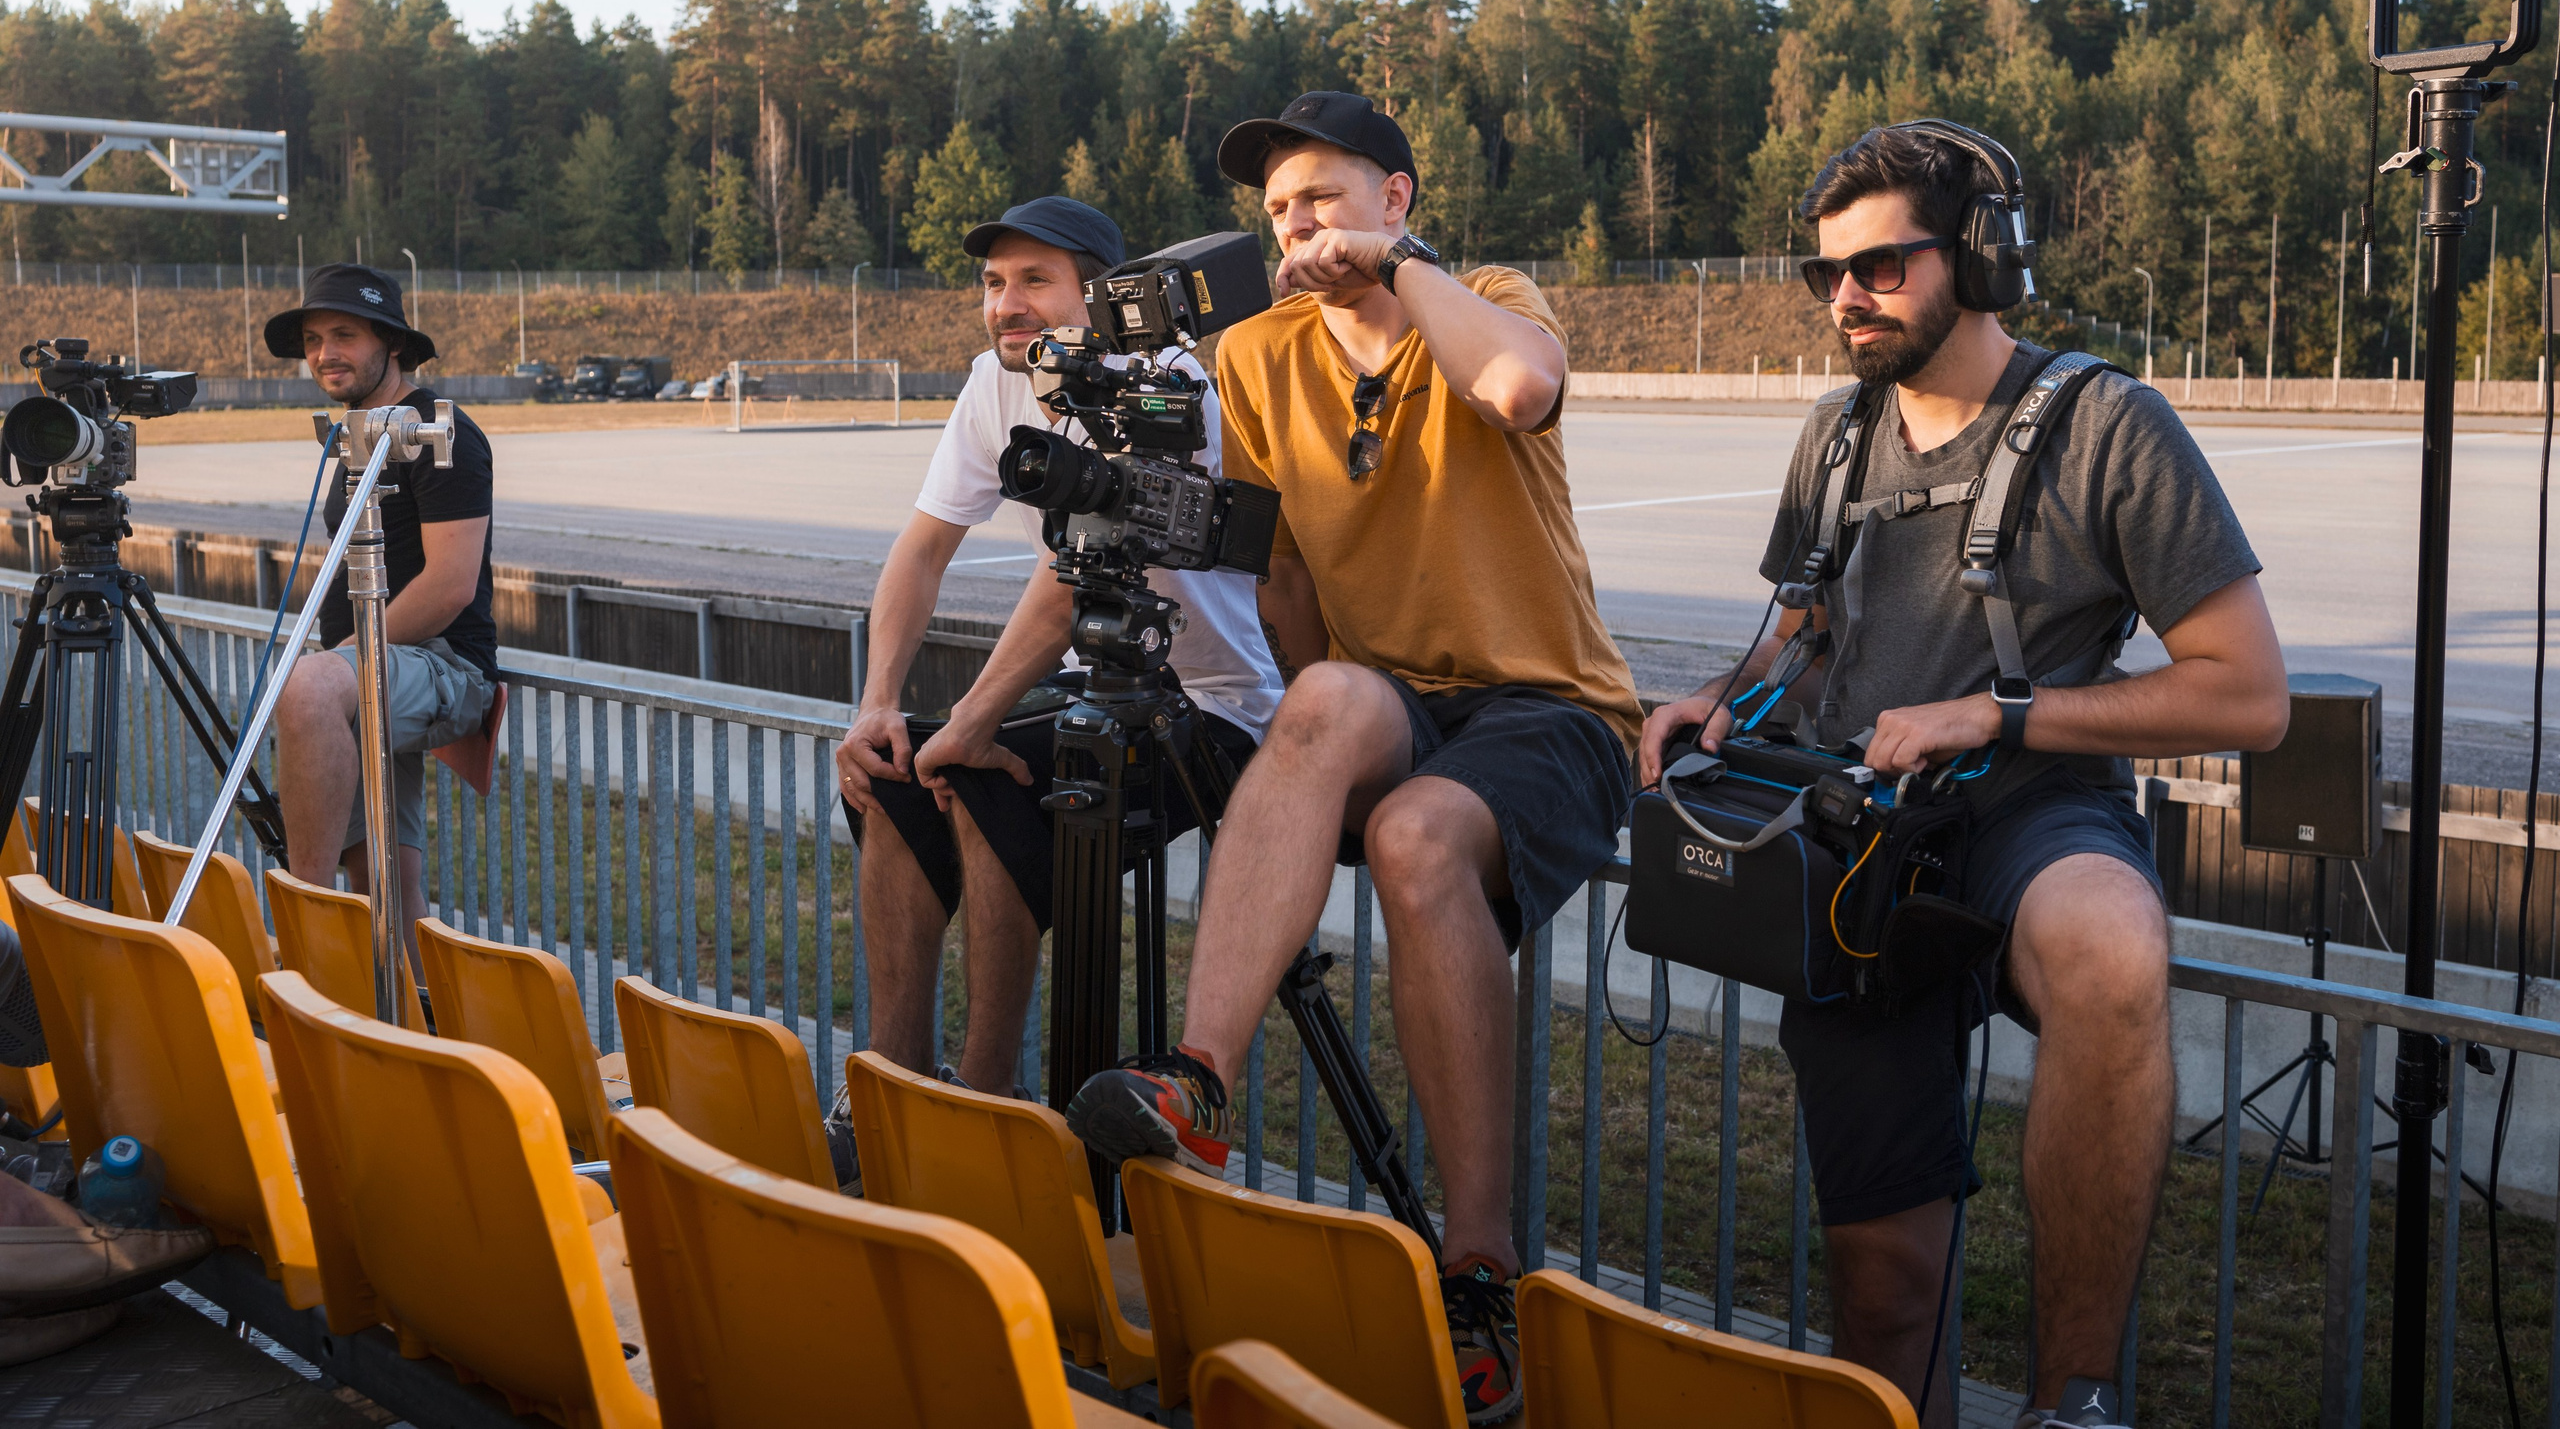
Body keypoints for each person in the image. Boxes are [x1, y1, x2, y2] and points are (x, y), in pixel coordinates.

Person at [1638, 123, 2289, 1429]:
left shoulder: (2110, 424)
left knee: (2108, 943)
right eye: (1827, 272)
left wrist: (1993, 713)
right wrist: (1722, 692)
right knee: (1882, 1284)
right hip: (1856, 832)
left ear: (1982, 257)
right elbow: (1804, 624)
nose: (1846, 296)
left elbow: (2247, 690)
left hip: (2028, 805)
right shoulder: (1832, 435)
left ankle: (2073, 1400)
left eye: (1881, 264)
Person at [1061, 93, 1641, 1426]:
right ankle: (1200, 1078)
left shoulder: (1484, 293)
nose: (1296, 223)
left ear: (1398, 194)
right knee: (1315, 695)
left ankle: (1479, 1263)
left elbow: (1518, 388)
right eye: (1277, 209)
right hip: (1396, 694)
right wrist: (1304, 752)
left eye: (1323, 196)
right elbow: (1287, 579)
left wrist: (1402, 273)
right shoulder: (1258, 356)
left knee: (1418, 836)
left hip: (1547, 700)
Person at [833, 196, 1281, 1099]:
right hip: (1094, 675)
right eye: (994, 283)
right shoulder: (997, 379)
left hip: (1212, 699)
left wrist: (970, 720)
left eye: (1035, 280)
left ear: (1100, 292)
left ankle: (989, 1093)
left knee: (978, 774)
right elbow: (921, 551)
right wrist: (878, 699)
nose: (1007, 303)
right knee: (895, 774)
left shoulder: (1165, 386)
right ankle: (887, 1089)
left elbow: (1075, 571)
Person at [268, 267, 498, 980]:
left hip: (441, 663)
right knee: (386, 886)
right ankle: (419, 1033)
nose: (324, 352)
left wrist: (340, 659)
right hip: (372, 666)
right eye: (312, 340)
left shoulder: (440, 431)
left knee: (304, 689)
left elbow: (450, 584)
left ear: (390, 344)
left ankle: (301, 935)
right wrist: (345, 661)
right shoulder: (350, 438)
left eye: (343, 335)